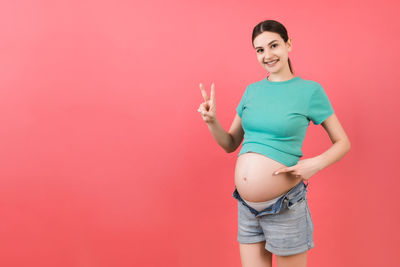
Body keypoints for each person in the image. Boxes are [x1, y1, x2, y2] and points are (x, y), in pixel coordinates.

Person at [197, 19, 351, 267]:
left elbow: (343, 142)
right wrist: (211, 121)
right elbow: (229, 143)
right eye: (260, 50)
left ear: (288, 44)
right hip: (247, 206)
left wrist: (315, 164)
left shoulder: (310, 91)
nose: (267, 55)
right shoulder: (251, 91)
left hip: (285, 205)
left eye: (274, 46)